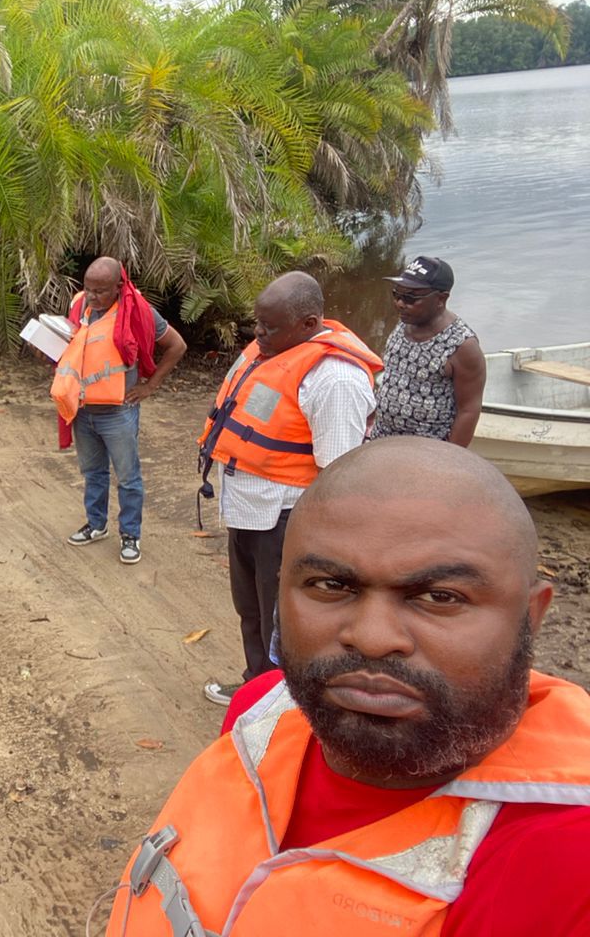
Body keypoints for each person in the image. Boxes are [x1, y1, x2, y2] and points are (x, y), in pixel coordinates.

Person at [103, 437, 590, 936]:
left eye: (440, 596)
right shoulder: (260, 711)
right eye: (331, 585)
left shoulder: (567, 865)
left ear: (531, 616)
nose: (374, 639)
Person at [197, 272, 380, 705]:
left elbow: (339, 473)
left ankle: (287, 706)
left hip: (285, 521)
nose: (259, 333)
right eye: (257, 323)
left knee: (286, 622)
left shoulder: (334, 380)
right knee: (253, 612)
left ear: (308, 323)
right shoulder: (273, 350)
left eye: (270, 326)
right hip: (247, 511)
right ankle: (257, 689)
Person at [51, 257, 186, 565]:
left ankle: (130, 535)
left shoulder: (137, 311)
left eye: (100, 291)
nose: (92, 297)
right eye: (87, 289)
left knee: (127, 477)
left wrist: (150, 386)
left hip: (117, 413)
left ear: (118, 287)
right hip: (83, 409)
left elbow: (177, 346)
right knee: (93, 473)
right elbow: (72, 351)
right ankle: (96, 525)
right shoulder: (79, 308)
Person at [371, 255, 486, 446]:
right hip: (382, 441)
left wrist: (448, 460)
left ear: (441, 299)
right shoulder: (404, 322)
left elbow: (469, 410)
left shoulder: (462, 346)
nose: (400, 303)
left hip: (427, 453)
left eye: (410, 298)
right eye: (396, 295)